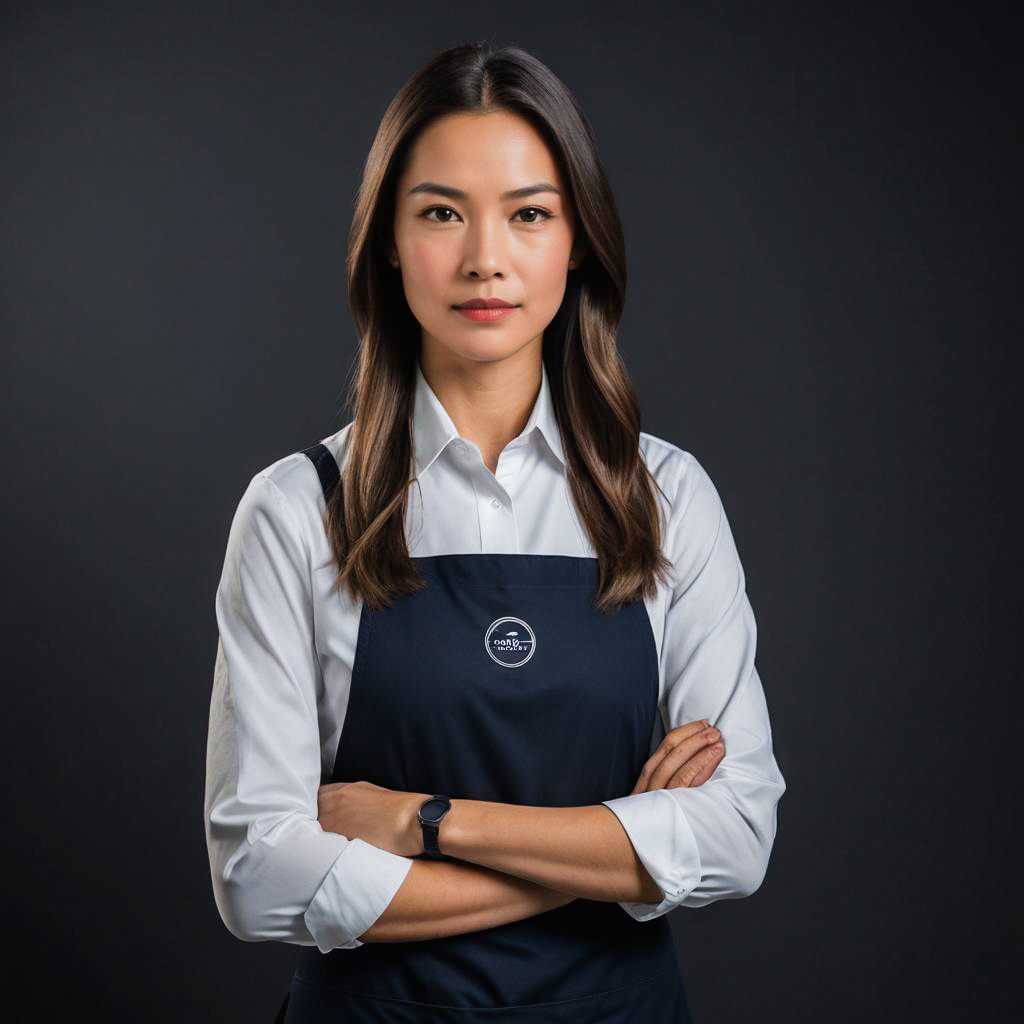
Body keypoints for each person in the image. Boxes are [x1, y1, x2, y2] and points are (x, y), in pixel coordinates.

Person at [204, 40, 786, 1024]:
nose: (485, 258)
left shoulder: (669, 497)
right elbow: (258, 877)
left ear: (577, 240)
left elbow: (736, 838)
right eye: (441, 212)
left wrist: (422, 821)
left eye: (528, 214)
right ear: (388, 238)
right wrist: (616, 856)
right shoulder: (295, 508)